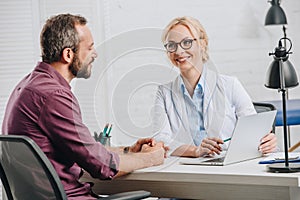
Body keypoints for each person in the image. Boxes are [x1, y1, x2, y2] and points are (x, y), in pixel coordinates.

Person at [2, 13, 167, 199]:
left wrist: (128, 150)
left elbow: (84, 149)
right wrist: (151, 158)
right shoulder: (53, 96)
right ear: (68, 54)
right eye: (89, 48)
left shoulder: (29, 85)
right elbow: (101, 166)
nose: (95, 53)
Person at [152, 16, 277, 157]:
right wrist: (196, 151)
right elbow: (161, 141)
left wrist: (266, 142)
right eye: (171, 45)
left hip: (229, 166)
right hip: (185, 168)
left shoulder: (230, 85)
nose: (179, 51)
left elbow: (254, 133)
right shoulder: (164, 93)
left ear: (202, 43)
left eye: (186, 42)